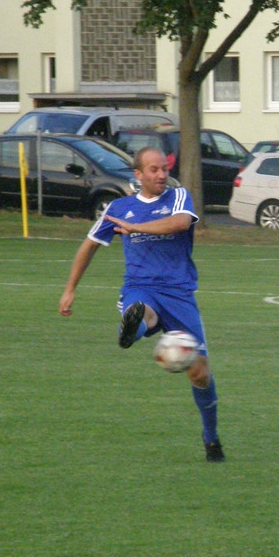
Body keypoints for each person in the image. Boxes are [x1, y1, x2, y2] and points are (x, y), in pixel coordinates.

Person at [58, 147, 224, 463]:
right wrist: (70, 289)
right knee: (142, 313)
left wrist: (136, 228)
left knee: (200, 374)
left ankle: (211, 438)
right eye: (153, 170)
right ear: (138, 174)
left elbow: (180, 223)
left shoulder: (178, 197)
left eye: (164, 169)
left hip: (179, 293)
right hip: (140, 287)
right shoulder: (120, 208)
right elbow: (89, 245)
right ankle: (130, 328)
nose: (161, 175)